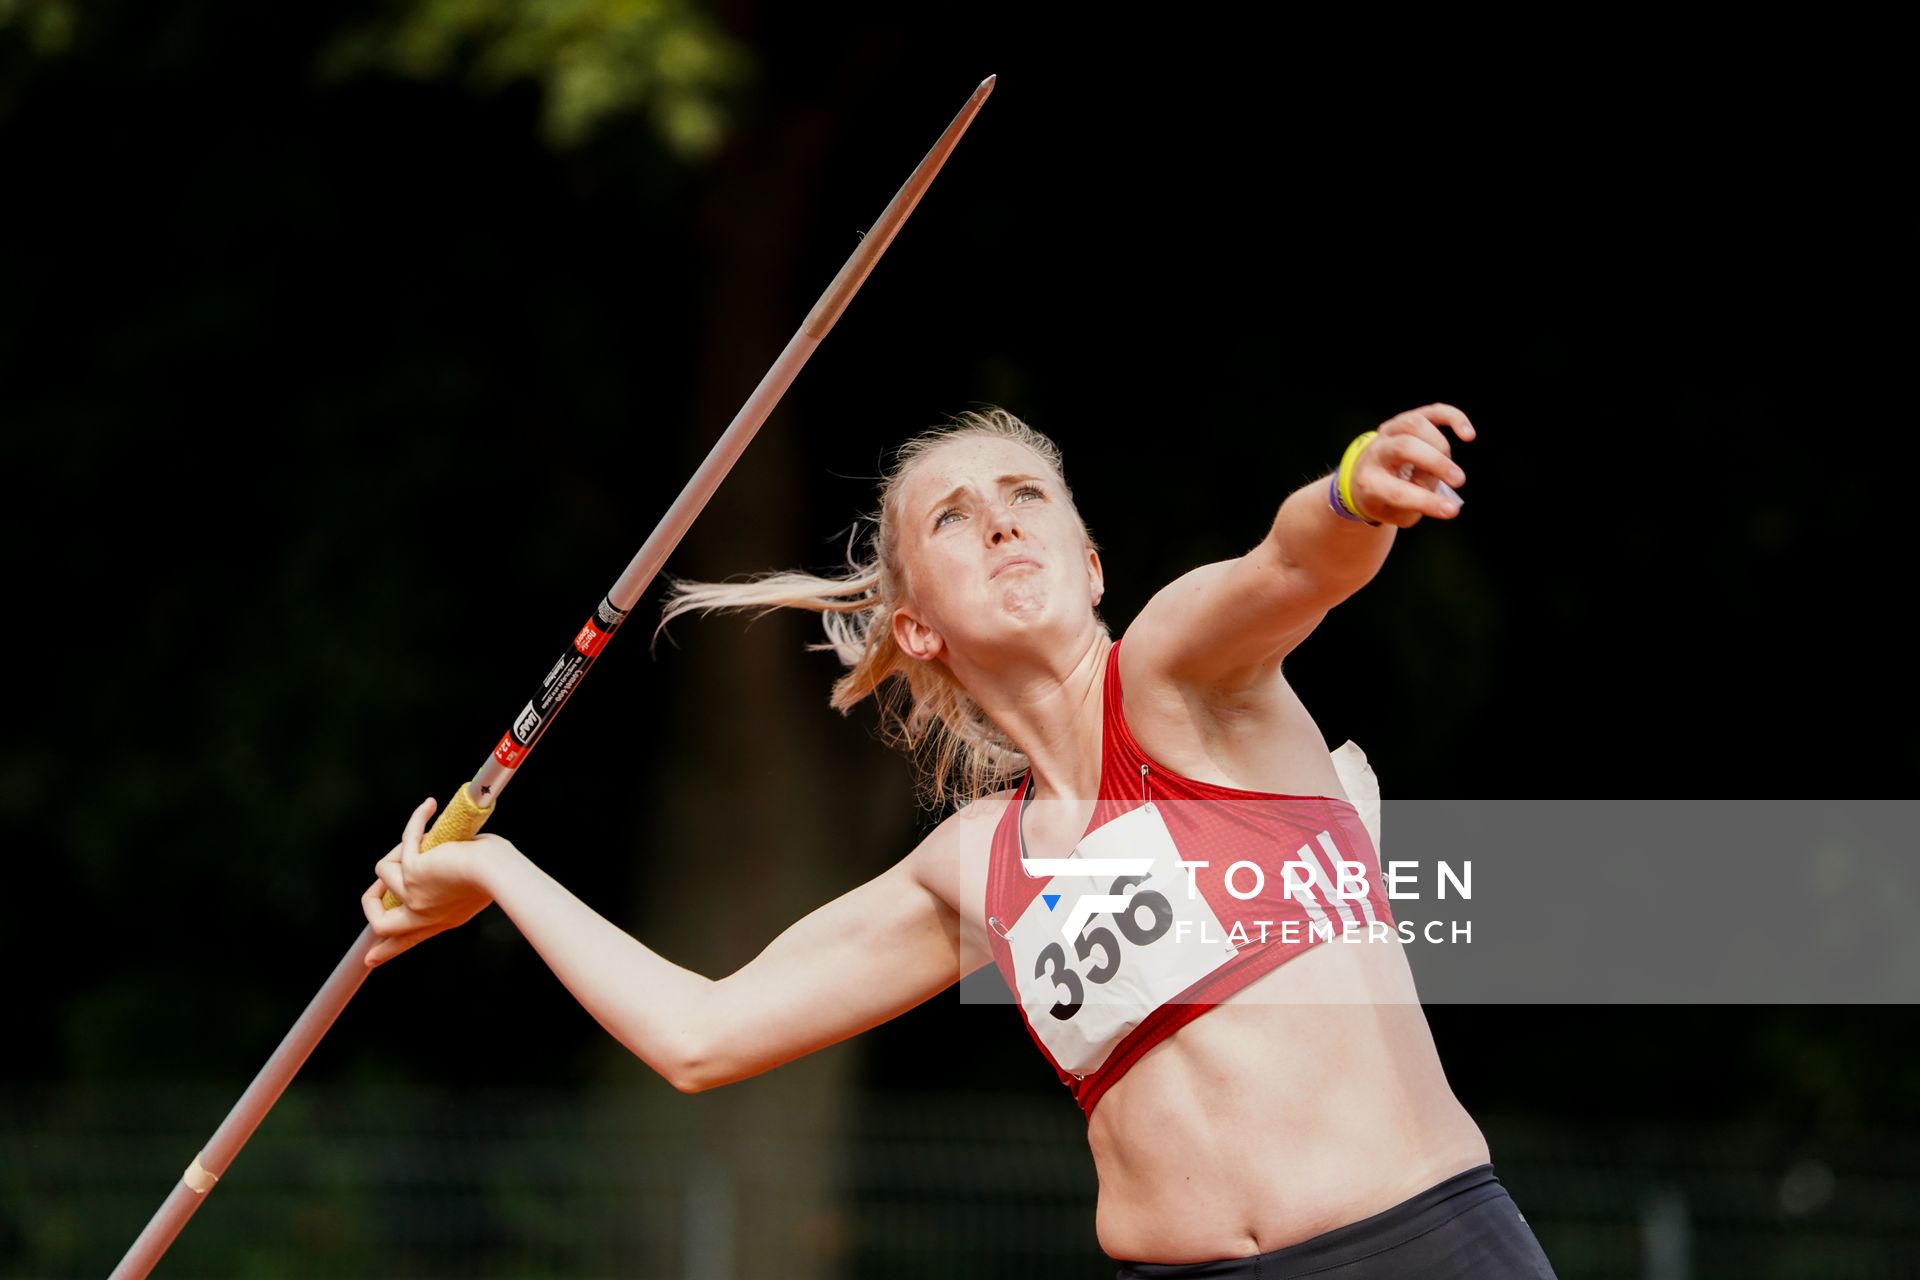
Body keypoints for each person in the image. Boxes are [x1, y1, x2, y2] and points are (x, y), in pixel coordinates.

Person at [362, 404, 1559, 1278]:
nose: (998, 523)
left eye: (1025, 497)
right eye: (954, 515)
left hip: (1415, 1247)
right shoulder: (969, 868)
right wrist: (493, 868)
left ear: (1089, 565)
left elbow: (1294, 558)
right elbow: (700, 1035)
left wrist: (1360, 485)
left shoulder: (1183, 677)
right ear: (916, 628)